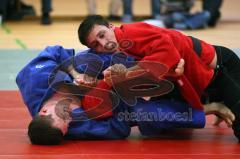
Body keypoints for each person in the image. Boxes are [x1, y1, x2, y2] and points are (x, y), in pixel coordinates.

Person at [16, 45, 233, 145]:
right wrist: (107, 90)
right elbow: (118, 129)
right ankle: (211, 107)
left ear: (44, 110)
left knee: (102, 58)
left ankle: (182, 60)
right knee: (146, 115)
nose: (70, 119)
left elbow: (53, 52)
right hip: (117, 101)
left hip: (97, 68)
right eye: (68, 124)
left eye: (64, 117)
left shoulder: (34, 81)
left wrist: (75, 72)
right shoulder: (74, 127)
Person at [78, 15, 240, 141]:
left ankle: (222, 100)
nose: (103, 43)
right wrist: (87, 76)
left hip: (221, 66)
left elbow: (168, 54)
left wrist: (127, 74)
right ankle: (219, 101)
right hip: (198, 79)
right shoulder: (113, 49)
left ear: (111, 27)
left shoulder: (130, 33)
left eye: (102, 35)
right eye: (96, 44)